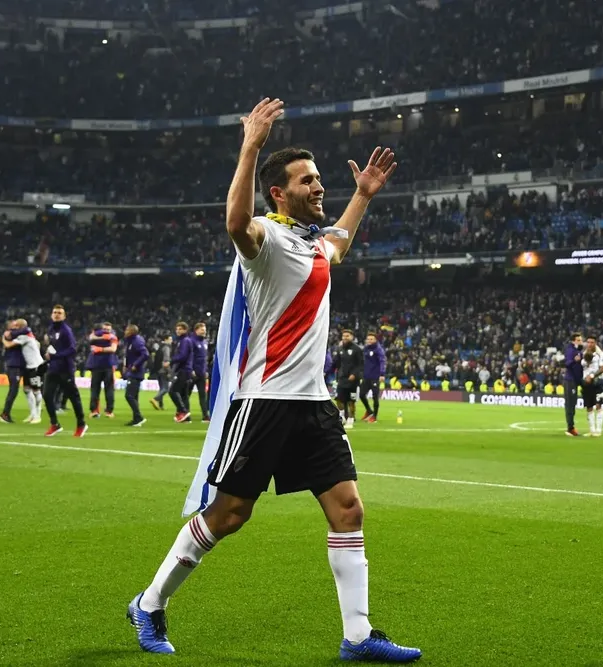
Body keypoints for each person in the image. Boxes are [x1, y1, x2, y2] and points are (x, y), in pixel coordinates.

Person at [127, 97, 419, 663]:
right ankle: (150, 602)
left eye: (321, 179)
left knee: (348, 508)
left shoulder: (314, 245)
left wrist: (362, 197)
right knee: (231, 515)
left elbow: (338, 242)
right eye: (308, 180)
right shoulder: (263, 239)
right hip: (263, 402)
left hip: (314, 404)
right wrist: (252, 144)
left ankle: (358, 636)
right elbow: (235, 221)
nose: (319, 187)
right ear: (279, 192)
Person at [42, 305, 87, 437]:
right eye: (55, 312)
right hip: (53, 368)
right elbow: (54, 347)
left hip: (65, 369)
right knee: (47, 395)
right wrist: (49, 355)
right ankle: (54, 424)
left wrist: (55, 356)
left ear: (64, 316)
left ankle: (81, 424)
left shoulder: (66, 330)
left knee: (73, 397)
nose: (57, 314)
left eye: (59, 313)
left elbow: (72, 349)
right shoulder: (50, 329)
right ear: (51, 315)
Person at [3, 319, 46, 424]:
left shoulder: (24, 336)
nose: (14, 327)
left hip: (36, 367)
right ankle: (32, 414)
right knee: (27, 390)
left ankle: (38, 415)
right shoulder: (28, 336)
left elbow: (8, 345)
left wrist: (3, 339)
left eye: (16, 325)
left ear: (20, 326)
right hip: (29, 367)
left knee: (36, 391)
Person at [0, 320, 29, 423]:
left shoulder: (16, 334)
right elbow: (26, 330)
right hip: (14, 366)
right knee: (13, 390)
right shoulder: (10, 333)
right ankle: (5, 413)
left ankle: (34, 413)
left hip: (20, 366)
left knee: (22, 389)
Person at [87, 322, 119, 419]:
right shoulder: (108, 337)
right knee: (103, 389)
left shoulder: (111, 337)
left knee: (99, 389)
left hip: (105, 366)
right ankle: (101, 411)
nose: (106, 331)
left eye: (108, 330)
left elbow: (113, 349)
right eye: (105, 329)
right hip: (101, 366)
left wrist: (99, 349)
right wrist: (102, 338)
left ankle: (100, 411)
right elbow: (91, 338)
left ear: (111, 329)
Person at [122, 324, 150, 427]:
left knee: (129, 395)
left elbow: (145, 354)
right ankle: (136, 419)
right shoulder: (131, 341)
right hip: (133, 372)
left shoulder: (137, 341)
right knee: (134, 396)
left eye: (127, 330)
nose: (125, 331)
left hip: (136, 373)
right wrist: (126, 365)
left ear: (131, 331)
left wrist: (135, 365)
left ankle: (139, 417)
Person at [335, 329, 363, 429]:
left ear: (352, 337)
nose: (345, 338)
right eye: (344, 336)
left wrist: (354, 374)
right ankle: (342, 416)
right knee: (339, 399)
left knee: (351, 401)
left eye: (347, 336)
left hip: (353, 380)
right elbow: (336, 363)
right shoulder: (340, 349)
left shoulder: (357, 349)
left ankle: (351, 418)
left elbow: (360, 365)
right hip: (342, 379)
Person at [581, 336, 603, 437]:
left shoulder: (601, 354)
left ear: (595, 343)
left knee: (598, 405)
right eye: (588, 342)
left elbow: (602, 368)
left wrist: (592, 376)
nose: (589, 344)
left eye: (592, 342)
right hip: (586, 383)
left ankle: (598, 430)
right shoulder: (584, 354)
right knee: (589, 406)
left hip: (596, 381)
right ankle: (592, 430)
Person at [169, 322, 193, 422]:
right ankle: (186, 418)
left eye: (180, 329)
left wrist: (171, 360)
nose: (178, 331)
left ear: (185, 330)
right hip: (186, 369)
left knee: (173, 391)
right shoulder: (182, 341)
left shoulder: (185, 341)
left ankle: (183, 411)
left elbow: (182, 356)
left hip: (183, 370)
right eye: (177, 329)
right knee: (184, 394)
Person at [359, 332, 385, 423]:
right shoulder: (365, 349)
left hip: (375, 377)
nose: (369, 341)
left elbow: (382, 361)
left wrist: (382, 374)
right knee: (361, 394)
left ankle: (374, 416)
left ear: (375, 340)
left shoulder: (378, 349)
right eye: (368, 339)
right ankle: (369, 410)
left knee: (375, 397)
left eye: (371, 339)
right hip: (366, 376)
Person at [188, 322, 211, 422]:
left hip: (201, 373)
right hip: (192, 373)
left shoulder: (205, 342)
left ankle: (205, 416)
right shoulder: (191, 341)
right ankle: (184, 414)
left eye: (205, 330)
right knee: (186, 395)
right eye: (202, 330)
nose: (204, 332)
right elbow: (190, 357)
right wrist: (191, 369)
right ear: (196, 330)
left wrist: (205, 370)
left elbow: (204, 359)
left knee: (203, 395)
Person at [563, 333, 584, 437]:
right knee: (570, 404)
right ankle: (570, 428)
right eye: (579, 340)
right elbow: (566, 363)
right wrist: (574, 361)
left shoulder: (578, 351)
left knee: (573, 403)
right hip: (569, 380)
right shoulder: (570, 351)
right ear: (574, 341)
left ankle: (571, 427)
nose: (581, 342)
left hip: (575, 381)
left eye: (581, 340)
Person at [149, 334, 173, 411]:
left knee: (161, 388)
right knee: (166, 388)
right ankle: (155, 399)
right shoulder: (166, 348)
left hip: (158, 370)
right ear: (166, 339)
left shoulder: (159, 346)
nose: (171, 341)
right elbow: (166, 360)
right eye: (170, 339)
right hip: (164, 370)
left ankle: (161, 405)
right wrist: (169, 371)